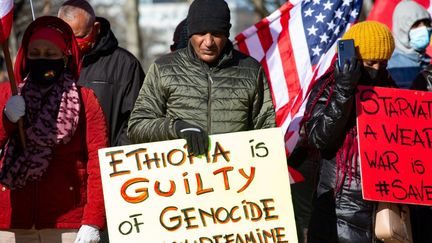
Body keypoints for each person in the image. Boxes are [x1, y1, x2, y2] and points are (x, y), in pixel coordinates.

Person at [0, 16, 108, 243]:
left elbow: (98, 164)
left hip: (66, 221)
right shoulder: (8, 94)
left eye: (50, 55)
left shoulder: (84, 99)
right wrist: (7, 120)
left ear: (65, 57)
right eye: (35, 54)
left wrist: (93, 220)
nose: (42, 61)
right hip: (11, 220)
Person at [128, 0, 275, 155]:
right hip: (181, 176)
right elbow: (137, 126)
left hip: (237, 174)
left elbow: (267, 130)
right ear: (190, 32)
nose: (208, 42)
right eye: (201, 33)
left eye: (217, 34)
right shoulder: (163, 68)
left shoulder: (251, 71)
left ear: (227, 33)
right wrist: (177, 127)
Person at [304, 21, 396, 243]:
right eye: (370, 62)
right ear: (351, 61)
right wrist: (344, 91)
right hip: (339, 212)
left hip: (382, 211)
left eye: (383, 64)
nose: (376, 70)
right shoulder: (328, 88)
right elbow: (319, 138)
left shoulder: (391, 90)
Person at [58, 0, 145, 147]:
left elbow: (137, 119)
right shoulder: (52, 62)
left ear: (96, 28)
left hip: (108, 160)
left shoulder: (124, 64)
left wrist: (116, 157)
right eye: (66, 38)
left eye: (79, 37)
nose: (72, 44)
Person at [387, 0, 431, 89]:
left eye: (426, 23)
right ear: (402, 28)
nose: (424, 28)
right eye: (416, 25)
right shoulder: (388, 66)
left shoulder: (427, 61)